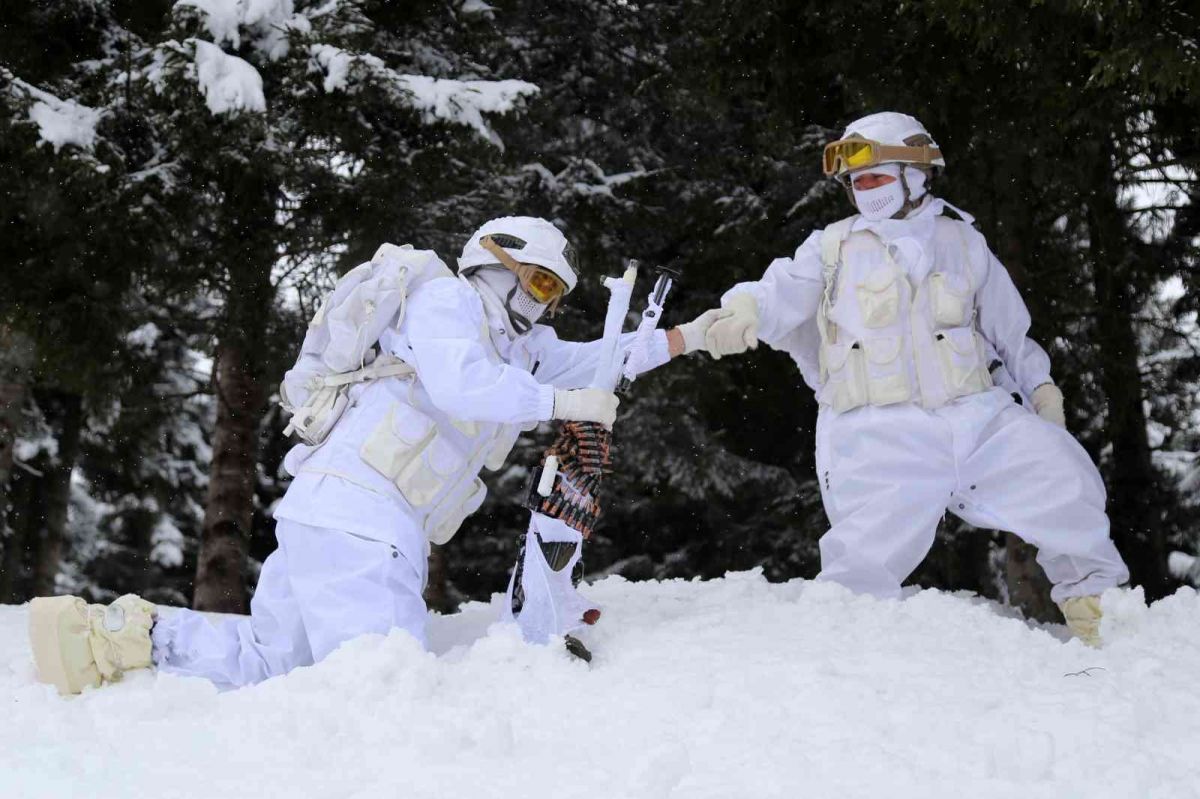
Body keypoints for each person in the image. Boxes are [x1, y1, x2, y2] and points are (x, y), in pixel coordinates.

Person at [29, 216, 718, 694]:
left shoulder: (519, 349)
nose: (545, 307)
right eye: (539, 284)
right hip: (364, 519)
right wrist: (562, 408)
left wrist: (693, 336)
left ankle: (109, 636)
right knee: (380, 687)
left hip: (335, 514)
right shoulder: (448, 301)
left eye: (556, 296)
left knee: (274, 661)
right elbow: (461, 384)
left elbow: (598, 361)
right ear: (495, 264)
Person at [690, 112, 1129, 646]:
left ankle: (1103, 617)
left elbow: (1011, 332)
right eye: (856, 182)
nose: (863, 190)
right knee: (862, 563)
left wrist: (1040, 389)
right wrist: (745, 312)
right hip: (877, 432)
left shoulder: (965, 243)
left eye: (875, 176)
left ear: (915, 172)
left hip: (976, 416)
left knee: (1064, 480)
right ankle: (855, 660)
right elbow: (778, 289)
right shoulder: (831, 248)